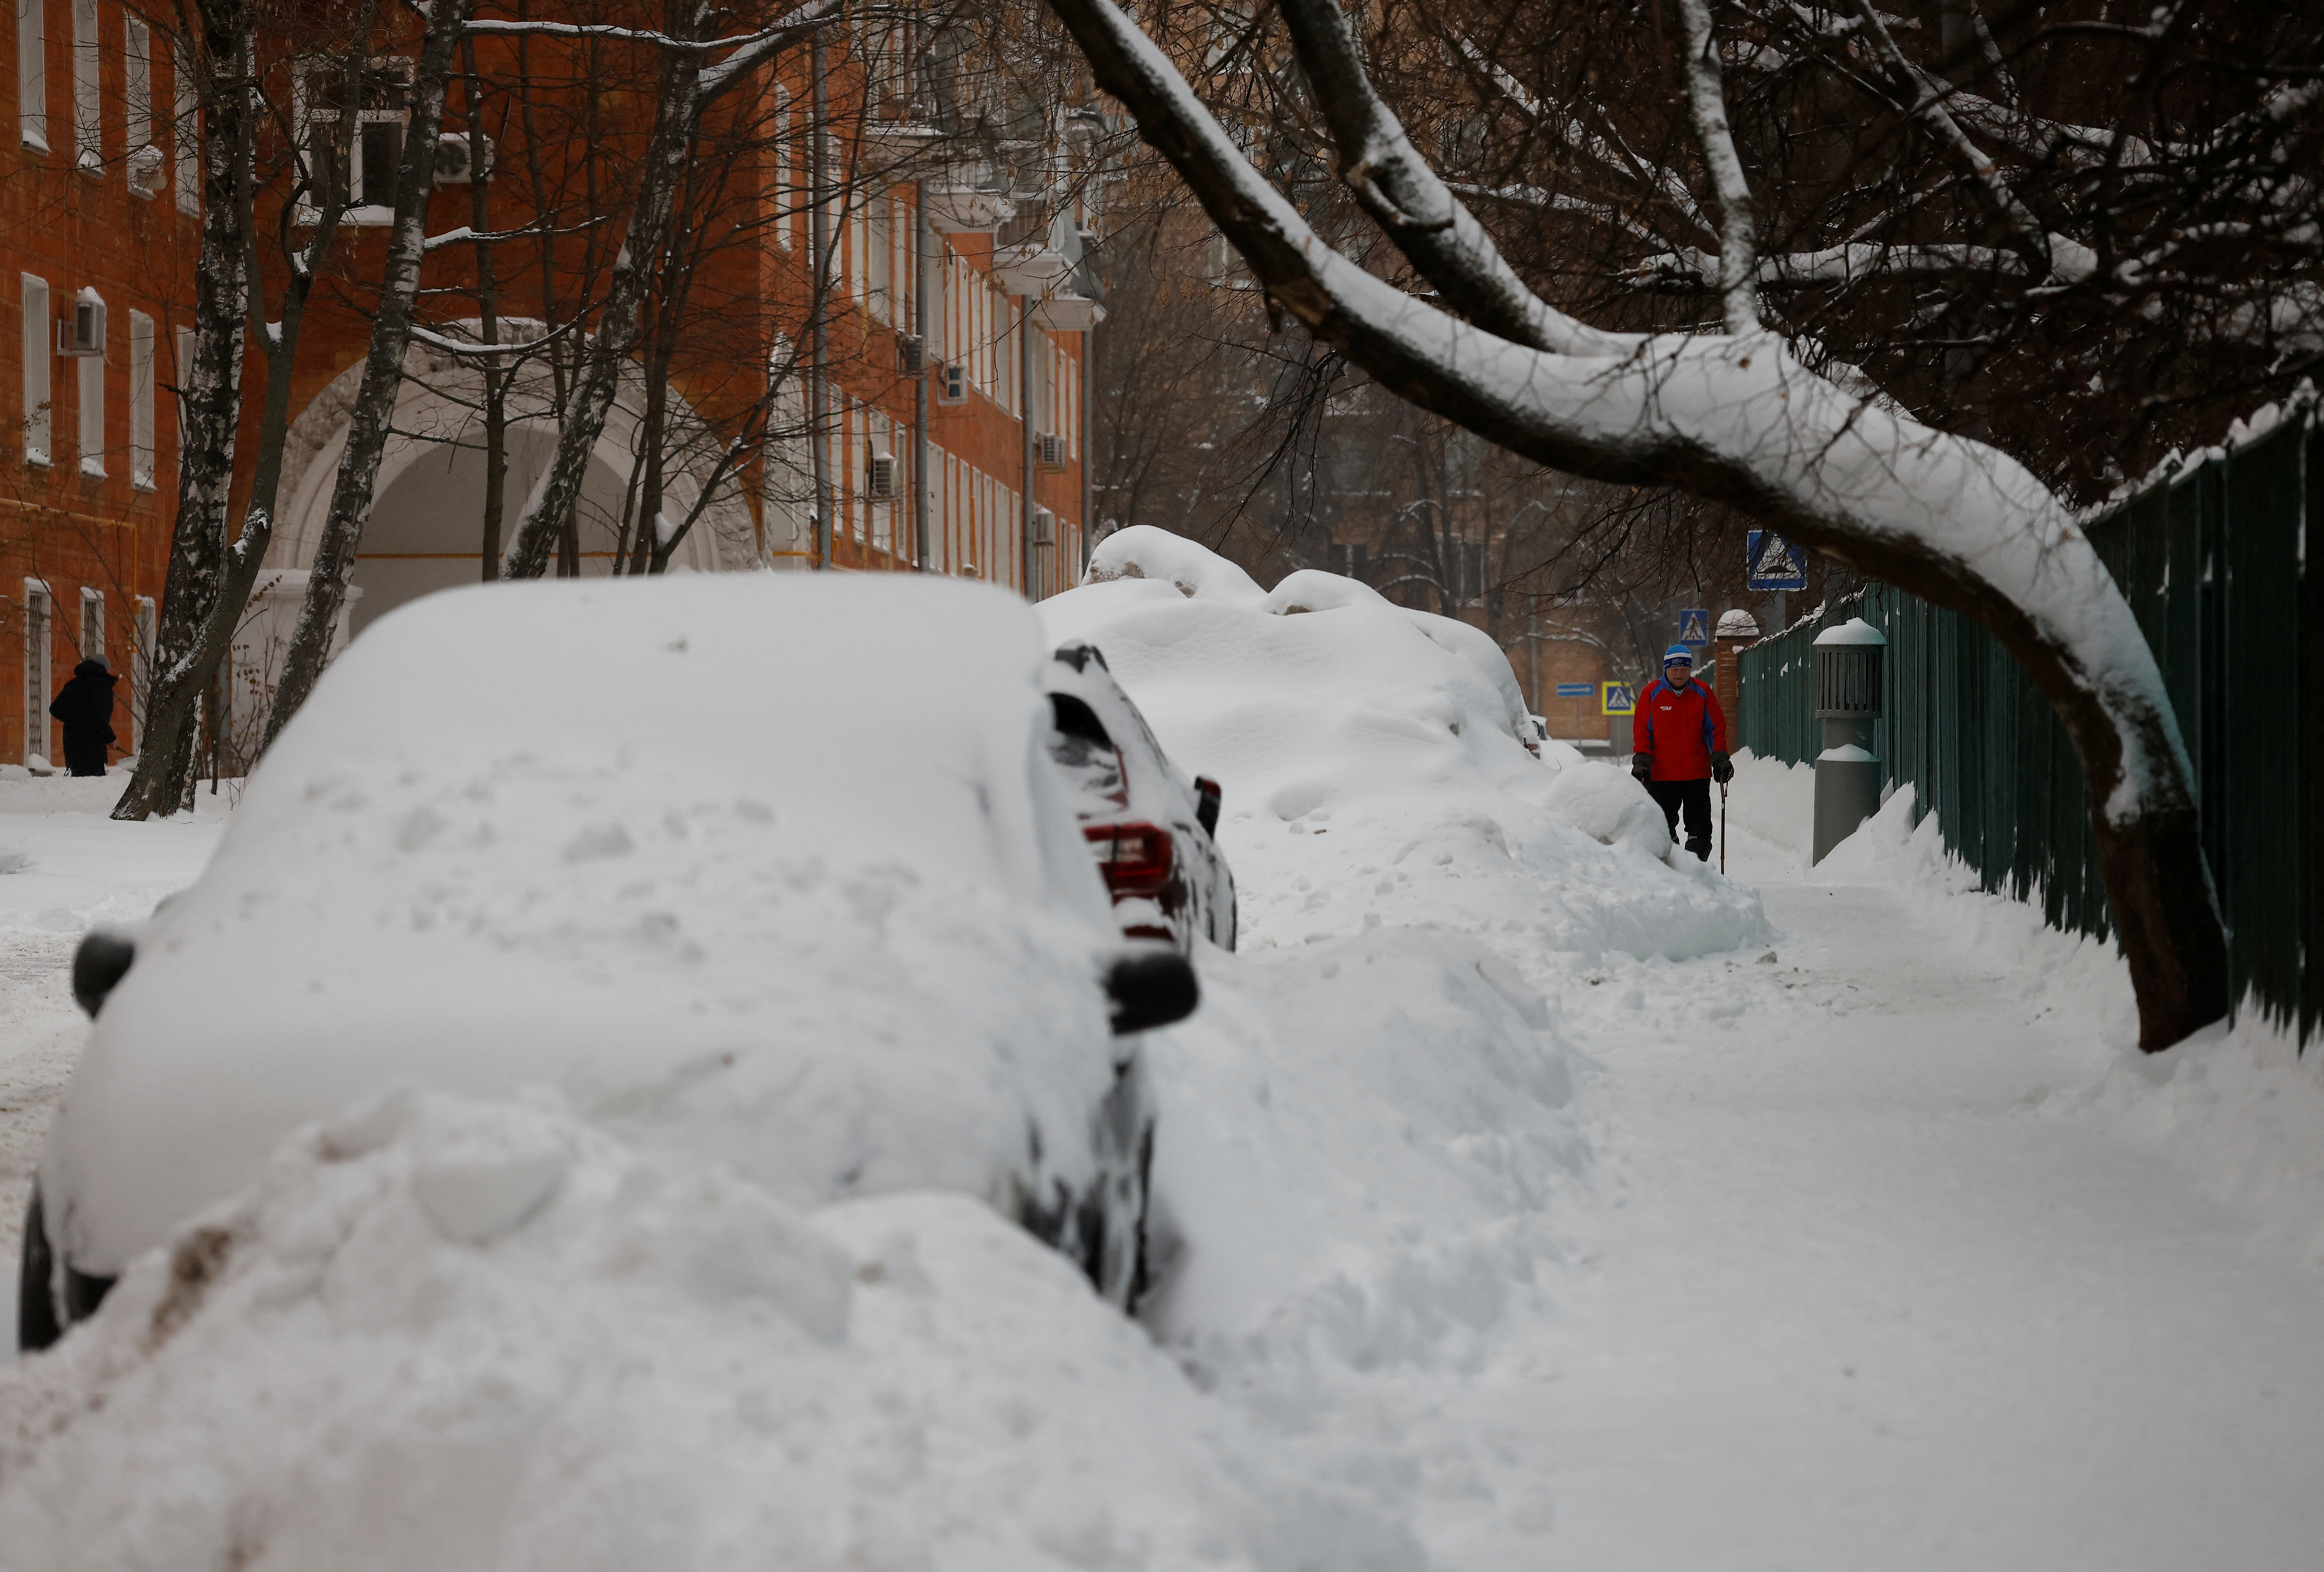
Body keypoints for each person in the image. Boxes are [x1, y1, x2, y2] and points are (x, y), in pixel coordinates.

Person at [1631, 644, 1732, 861]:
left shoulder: (1702, 692)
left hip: (1697, 774)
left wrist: (1720, 757)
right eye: (1674, 669)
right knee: (1663, 829)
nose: (1679, 674)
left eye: (1684, 669)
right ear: (1666, 669)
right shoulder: (1652, 693)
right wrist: (1641, 761)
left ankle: (1696, 871)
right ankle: (1673, 870)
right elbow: (1642, 731)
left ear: (1690, 670)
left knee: (1701, 830)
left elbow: (1715, 729)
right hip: (1662, 776)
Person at [49, 655, 118, 778]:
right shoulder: (101, 686)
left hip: (73, 746)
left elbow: (55, 709)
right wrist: (110, 738)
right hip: (93, 748)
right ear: (103, 669)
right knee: (92, 788)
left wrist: (76, 720)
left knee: (79, 787)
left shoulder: (73, 684)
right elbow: (98, 717)